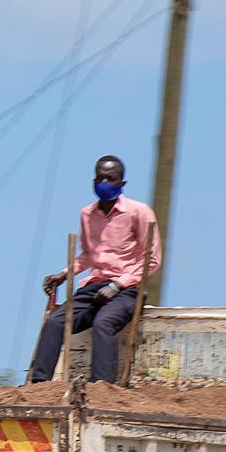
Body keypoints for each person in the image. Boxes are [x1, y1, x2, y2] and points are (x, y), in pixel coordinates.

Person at [28, 155, 161, 384]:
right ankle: (39, 385)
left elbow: (152, 259)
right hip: (94, 287)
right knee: (55, 322)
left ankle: (102, 387)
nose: (105, 183)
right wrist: (64, 274)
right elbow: (90, 255)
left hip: (128, 289)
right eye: (100, 178)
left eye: (111, 179)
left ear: (122, 183)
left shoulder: (139, 212)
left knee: (103, 323)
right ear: (93, 181)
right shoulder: (87, 214)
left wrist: (118, 284)